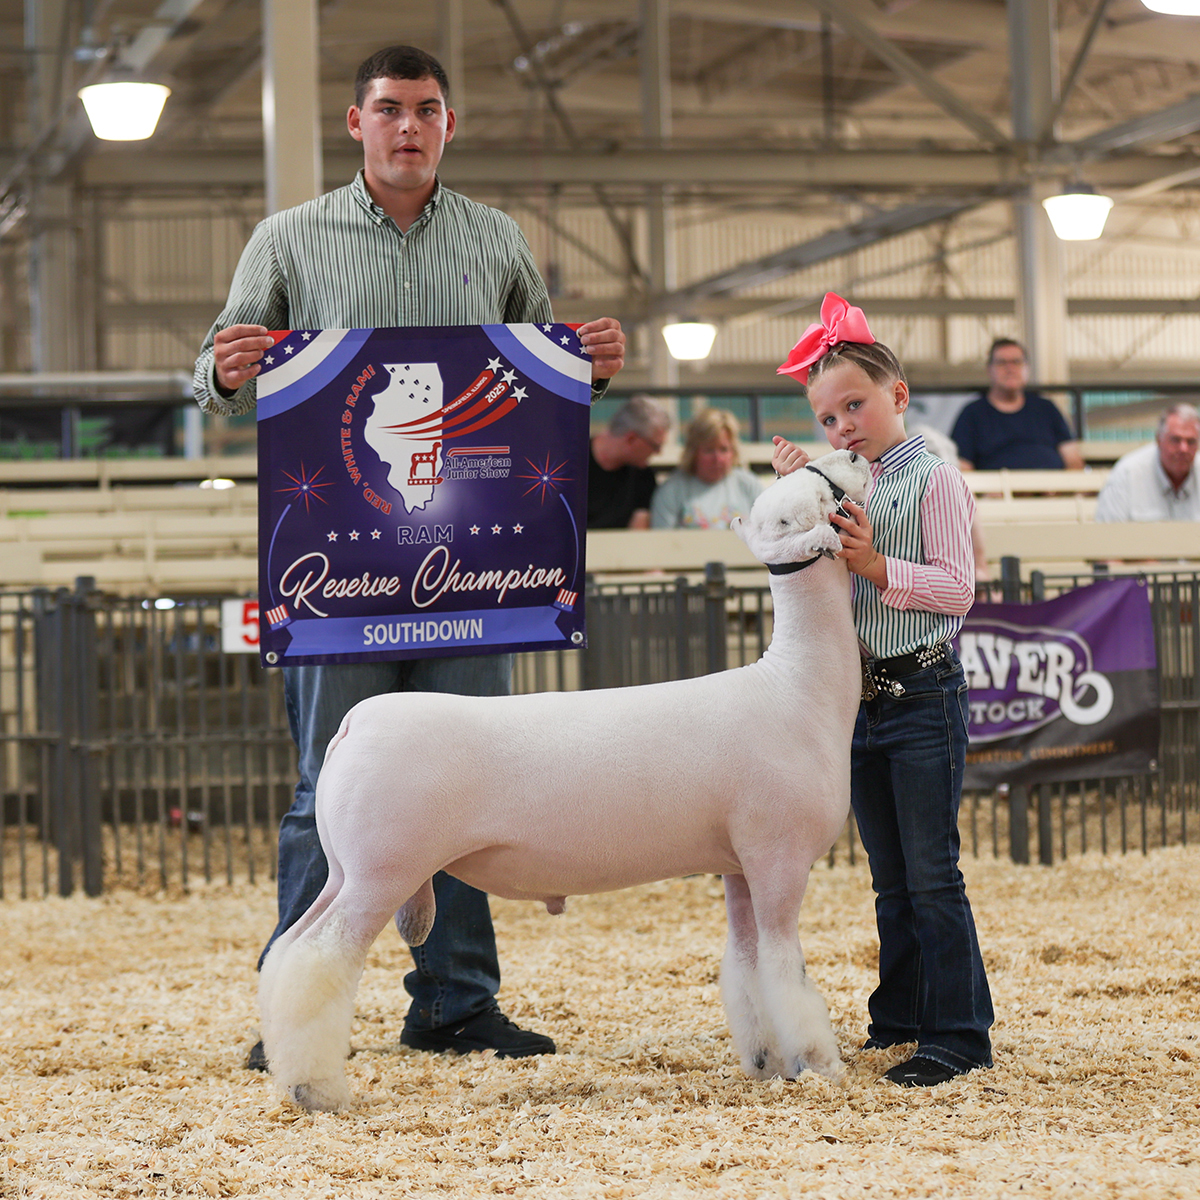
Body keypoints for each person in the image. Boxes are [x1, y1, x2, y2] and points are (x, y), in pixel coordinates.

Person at [192, 45, 626, 1070]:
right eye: (389, 109)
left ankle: (455, 1005)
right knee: (325, 787)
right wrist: (224, 368)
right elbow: (216, 374)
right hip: (337, 571)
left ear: (448, 124)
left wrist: (593, 367)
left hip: (470, 565)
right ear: (356, 122)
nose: (408, 127)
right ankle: (298, 1010)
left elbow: (541, 380)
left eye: (427, 110)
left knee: (468, 786)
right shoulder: (287, 239)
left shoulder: (496, 238)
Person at [772, 292, 993, 1087]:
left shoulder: (936, 480)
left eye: (854, 407)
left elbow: (958, 589)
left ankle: (959, 1034)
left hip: (923, 691)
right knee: (891, 878)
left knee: (932, 874)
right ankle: (898, 1020)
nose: (842, 427)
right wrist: (797, 488)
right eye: (828, 418)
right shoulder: (843, 483)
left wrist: (874, 565)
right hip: (859, 703)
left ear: (898, 395)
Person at [951, 338, 1084, 471]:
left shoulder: (1046, 408)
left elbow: (1072, 458)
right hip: (998, 483)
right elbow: (963, 466)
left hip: (1052, 482)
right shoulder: (972, 414)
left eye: (1016, 362)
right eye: (1001, 363)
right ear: (989, 369)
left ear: (1027, 368)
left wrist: (1071, 483)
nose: (1010, 369)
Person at [650, 408, 763, 529]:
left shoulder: (749, 485)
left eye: (723, 449)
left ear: (733, 451)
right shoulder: (671, 491)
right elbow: (662, 538)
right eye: (709, 450)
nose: (717, 458)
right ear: (693, 452)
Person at [1095, 403, 1200, 522]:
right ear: (1158, 440)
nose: (1184, 449)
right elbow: (1107, 530)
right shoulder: (1127, 474)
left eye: (1191, 441)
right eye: (1175, 440)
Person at [587, 394, 671, 529]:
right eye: (655, 446)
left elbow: (637, 535)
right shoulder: (568, 462)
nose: (658, 453)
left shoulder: (644, 477)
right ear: (631, 439)